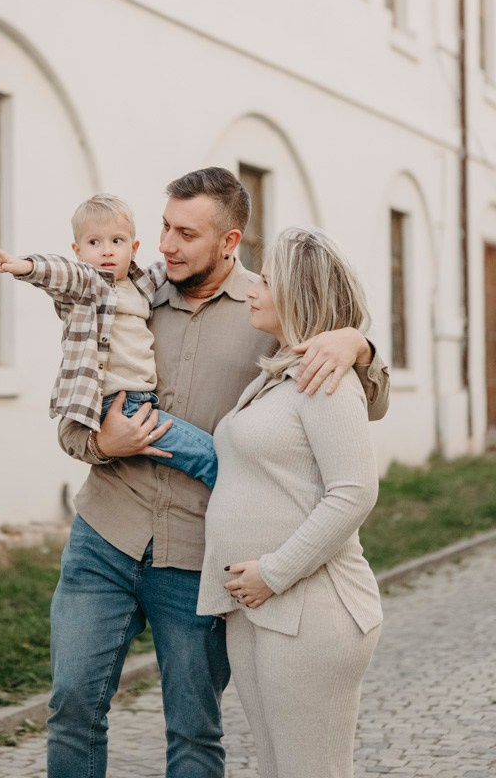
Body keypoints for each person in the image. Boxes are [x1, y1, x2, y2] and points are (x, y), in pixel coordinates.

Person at [47, 168, 389, 778]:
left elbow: (363, 407)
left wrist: (357, 346)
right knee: (73, 704)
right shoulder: (124, 296)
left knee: (195, 728)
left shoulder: (272, 305)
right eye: (163, 228)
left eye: (185, 233)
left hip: (200, 551)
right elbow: (74, 409)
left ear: (230, 242)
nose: (166, 246)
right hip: (107, 532)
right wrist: (102, 440)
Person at [197, 227, 383, 778]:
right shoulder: (278, 374)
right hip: (259, 607)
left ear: (300, 293)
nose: (253, 286)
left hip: (312, 607)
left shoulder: (326, 376)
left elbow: (354, 493)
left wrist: (274, 573)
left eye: (269, 279)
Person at [0, 193, 218, 487]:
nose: (106, 251)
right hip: (119, 404)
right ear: (79, 251)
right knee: (208, 456)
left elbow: (168, 268)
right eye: (94, 243)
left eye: (117, 241)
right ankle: (238, 506)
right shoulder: (87, 285)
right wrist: (27, 267)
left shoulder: (140, 284)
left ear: (133, 249)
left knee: (187, 458)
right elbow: (63, 273)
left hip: (145, 400)